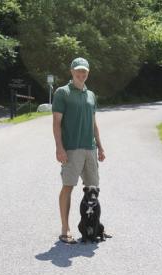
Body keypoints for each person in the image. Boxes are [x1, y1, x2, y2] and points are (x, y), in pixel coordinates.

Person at [52, 57, 105, 244]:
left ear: (88, 73)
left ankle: (94, 226)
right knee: (68, 187)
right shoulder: (62, 93)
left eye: (84, 72)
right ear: (72, 71)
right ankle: (65, 229)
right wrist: (59, 148)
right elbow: (56, 123)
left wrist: (100, 146)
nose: (81, 74)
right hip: (71, 149)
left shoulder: (91, 95)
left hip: (89, 148)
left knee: (93, 189)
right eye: (78, 71)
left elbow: (93, 123)